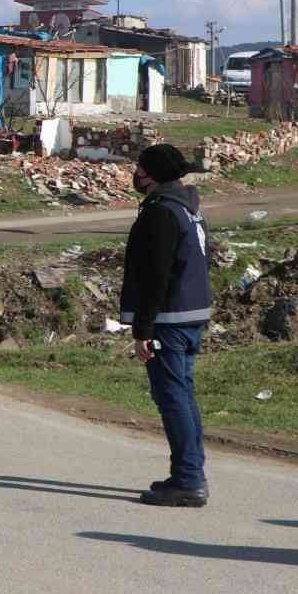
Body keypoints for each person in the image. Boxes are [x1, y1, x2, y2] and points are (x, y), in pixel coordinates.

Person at [122, 144, 213, 507]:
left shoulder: (160, 213)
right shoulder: (188, 209)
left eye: (140, 168)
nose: (136, 175)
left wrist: (142, 330)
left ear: (151, 174)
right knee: (183, 397)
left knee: (173, 399)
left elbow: (156, 275)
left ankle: (189, 479)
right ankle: (186, 472)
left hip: (169, 321)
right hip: (190, 315)